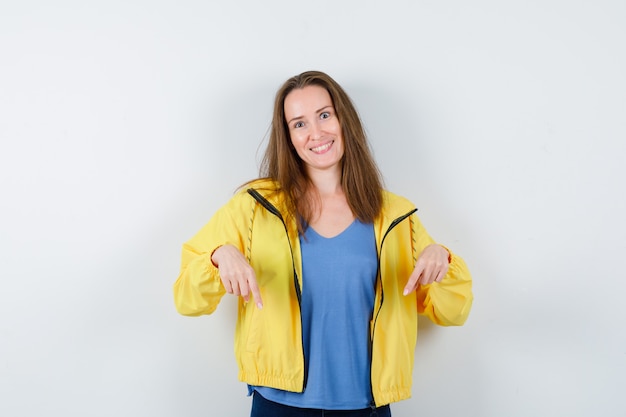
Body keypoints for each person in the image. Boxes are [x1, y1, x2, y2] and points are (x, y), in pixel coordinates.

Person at [173, 70, 473, 417]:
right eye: (299, 123)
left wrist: (443, 261)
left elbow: (453, 312)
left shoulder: (396, 215)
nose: (315, 133)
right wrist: (216, 257)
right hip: (278, 406)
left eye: (324, 115)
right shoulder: (253, 207)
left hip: (367, 408)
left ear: (345, 120)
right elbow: (186, 299)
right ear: (288, 136)